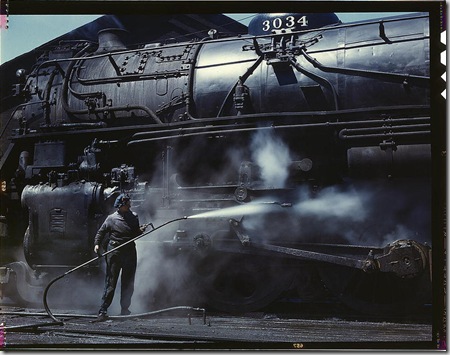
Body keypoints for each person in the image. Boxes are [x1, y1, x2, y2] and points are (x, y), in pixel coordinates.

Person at [93, 193, 146, 322]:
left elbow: (134, 233)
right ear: (120, 206)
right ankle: (103, 310)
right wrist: (97, 244)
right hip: (115, 252)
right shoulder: (111, 219)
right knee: (111, 282)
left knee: (128, 282)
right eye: (126, 204)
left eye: (129, 203)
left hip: (129, 252)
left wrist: (140, 230)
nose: (129, 205)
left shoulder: (134, 217)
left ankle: (125, 310)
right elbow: (101, 232)